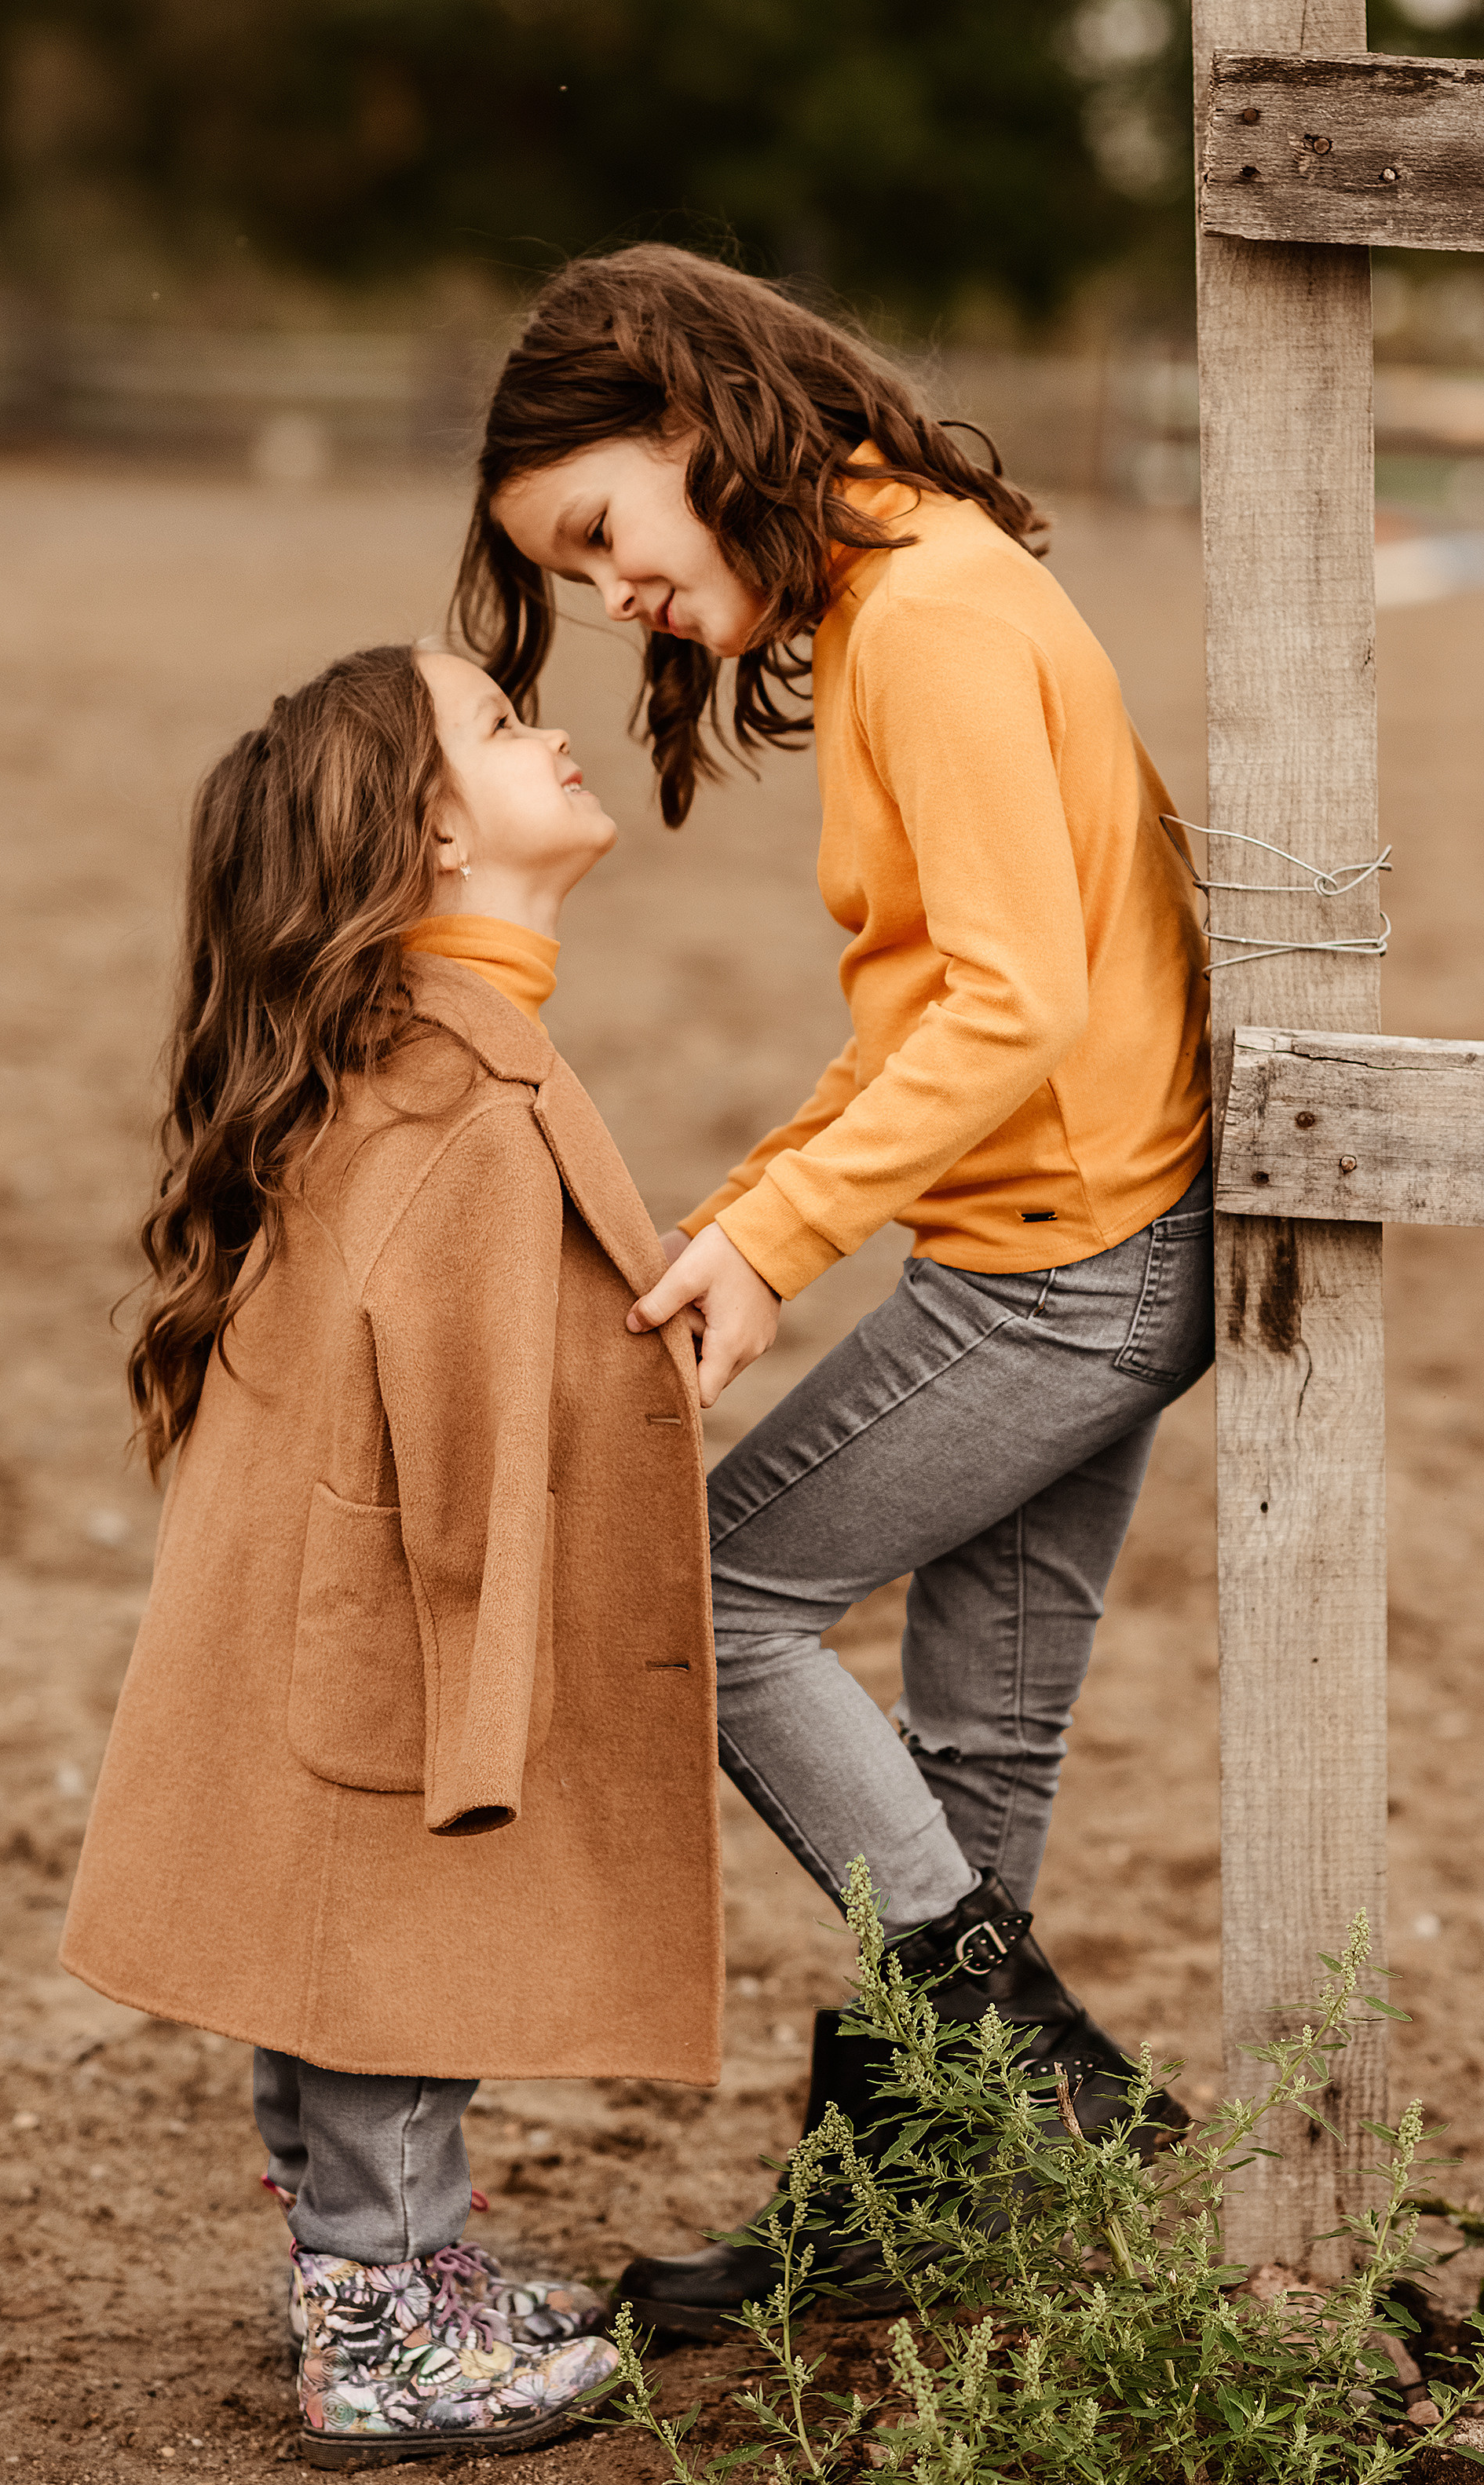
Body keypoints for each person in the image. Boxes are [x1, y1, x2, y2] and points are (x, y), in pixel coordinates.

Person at [454, 244, 1215, 2333]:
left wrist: (780, 1239)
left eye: (603, 529)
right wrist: (754, 1206)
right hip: (1093, 1244)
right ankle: (919, 2204)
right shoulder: (913, 590)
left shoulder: (940, 623)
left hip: (1054, 1266)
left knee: (712, 1601)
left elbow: (1010, 1006)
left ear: (701, 427)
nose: (614, 592)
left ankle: (1015, 2069)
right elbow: (919, 1018)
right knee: (975, 1753)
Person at [60, 643, 723, 2458]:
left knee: (340, 1947)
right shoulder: (462, 1109)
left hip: (339, 1624)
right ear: (431, 830)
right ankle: (384, 2322)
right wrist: (488, 1697)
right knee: (395, 1955)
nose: (557, 728)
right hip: (403, 1631)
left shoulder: (408, 1061)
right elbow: (460, 1450)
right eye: (504, 726)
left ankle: (394, 2267)